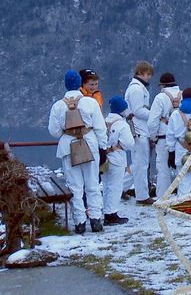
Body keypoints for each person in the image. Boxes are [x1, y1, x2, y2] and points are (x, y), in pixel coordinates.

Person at [48, 70, 108, 234]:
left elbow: (53, 131)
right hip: (89, 143)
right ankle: (96, 220)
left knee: (75, 186)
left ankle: (79, 222)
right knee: (93, 184)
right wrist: (103, 146)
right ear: (80, 83)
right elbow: (100, 127)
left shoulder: (58, 106)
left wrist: (67, 133)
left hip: (68, 146)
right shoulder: (90, 102)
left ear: (66, 85)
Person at [125, 61, 155, 205]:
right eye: (147, 74)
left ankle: (120, 189)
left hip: (140, 129)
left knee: (138, 163)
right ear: (140, 73)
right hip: (139, 130)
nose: (149, 77)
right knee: (141, 164)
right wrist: (154, 114)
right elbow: (138, 111)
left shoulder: (136, 87)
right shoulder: (137, 89)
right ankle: (142, 196)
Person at [148, 72, 181, 198]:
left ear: (162, 85)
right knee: (181, 169)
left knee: (163, 170)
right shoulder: (183, 95)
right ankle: (182, 199)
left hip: (163, 137)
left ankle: (163, 199)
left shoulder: (160, 97)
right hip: (181, 138)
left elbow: (152, 122)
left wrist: (153, 137)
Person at [103, 96, 133, 225]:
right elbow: (129, 144)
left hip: (104, 157)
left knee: (106, 185)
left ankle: (105, 211)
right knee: (115, 186)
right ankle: (112, 213)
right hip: (117, 157)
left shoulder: (104, 121)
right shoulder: (122, 124)